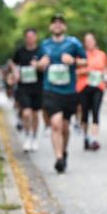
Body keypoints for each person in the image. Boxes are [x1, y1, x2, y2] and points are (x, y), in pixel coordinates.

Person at [36, 14, 86, 173]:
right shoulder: (44, 45)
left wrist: (74, 61)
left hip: (69, 91)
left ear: (64, 26)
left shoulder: (73, 43)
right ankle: (58, 158)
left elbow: (85, 60)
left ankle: (64, 152)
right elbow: (37, 64)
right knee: (55, 124)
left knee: (65, 127)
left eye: (60, 23)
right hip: (50, 89)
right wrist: (40, 64)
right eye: (54, 23)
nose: (57, 25)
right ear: (50, 27)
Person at [10, 28, 43, 152]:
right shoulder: (20, 51)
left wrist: (38, 65)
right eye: (27, 36)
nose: (29, 39)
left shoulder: (41, 51)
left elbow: (45, 64)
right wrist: (15, 72)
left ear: (36, 37)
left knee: (35, 114)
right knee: (26, 113)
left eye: (32, 36)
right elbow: (13, 63)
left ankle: (34, 137)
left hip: (37, 87)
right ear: (25, 38)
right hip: (24, 87)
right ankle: (27, 136)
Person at [77, 32, 107, 151]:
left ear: (95, 41)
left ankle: (94, 139)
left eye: (91, 40)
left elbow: (105, 69)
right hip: (84, 86)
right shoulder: (81, 55)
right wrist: (85, 71)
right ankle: (86, 137)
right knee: (84, 114)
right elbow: (74, 72)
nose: (89, 43)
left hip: (98, 86)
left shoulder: (101, 55)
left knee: (96, 111)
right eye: (86, 41)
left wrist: (105, 75)